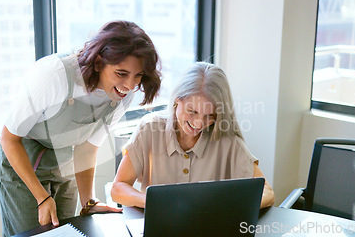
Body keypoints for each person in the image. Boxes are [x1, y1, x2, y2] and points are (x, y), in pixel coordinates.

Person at [0, 20, 162, 236]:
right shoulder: (54, 75)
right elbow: (9, 138)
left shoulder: (123, 94)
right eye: (121, 73)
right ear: (99, 62)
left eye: (138, 75)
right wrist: (41, 196)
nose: (130, 86)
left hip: (65, 162)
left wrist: (89, 202)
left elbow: (87, 148)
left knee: (70, 231)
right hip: (22, 158)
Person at [111, 62, 275, 209]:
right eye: (192, 111)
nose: (198, 123)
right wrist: (155, 202)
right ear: (177, 101)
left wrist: (228, 207)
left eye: (209, 115)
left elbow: (267, 192)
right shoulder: (150, 129)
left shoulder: (227, 141)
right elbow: (118, 188)